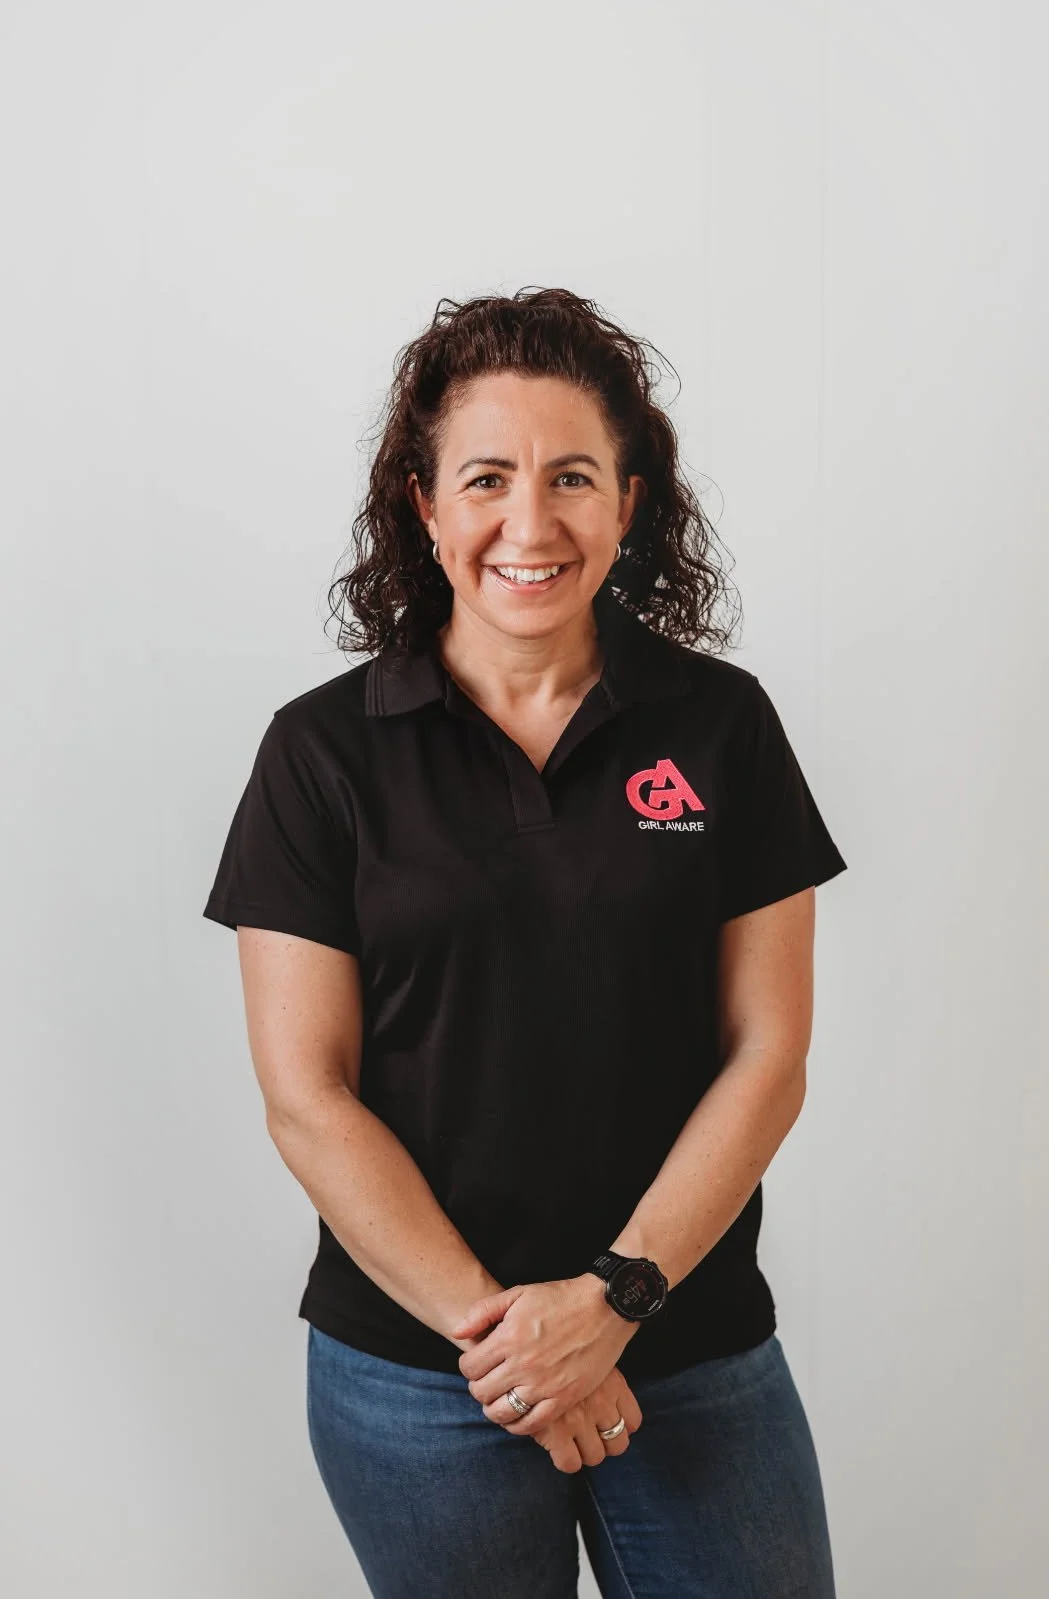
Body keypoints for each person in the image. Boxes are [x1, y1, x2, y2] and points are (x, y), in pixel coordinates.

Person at [203, 287, 847, 1597]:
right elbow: (307, 1097)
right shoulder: (320, 755)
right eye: (486, 478)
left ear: (630, 500)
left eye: (572, 477)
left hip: (694, 1347)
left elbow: (768, 1054)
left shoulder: (722, 726)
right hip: (420, 1377)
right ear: (424, 504)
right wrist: (512, 1345)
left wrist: (609, 1304)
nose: (530, 523)